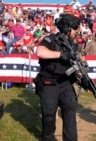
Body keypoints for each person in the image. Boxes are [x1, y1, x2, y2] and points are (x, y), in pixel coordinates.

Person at [35, 13, 82, 141]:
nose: (77, 31)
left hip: (66, 83)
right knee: (49, 115)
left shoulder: (73, 45)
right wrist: (61, 54)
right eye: (75, 28)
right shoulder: (50, 39)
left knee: (70, 111)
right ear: (67, 28)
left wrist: (81, 74)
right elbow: (40, 52)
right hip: (49, 82)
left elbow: (75, 64)